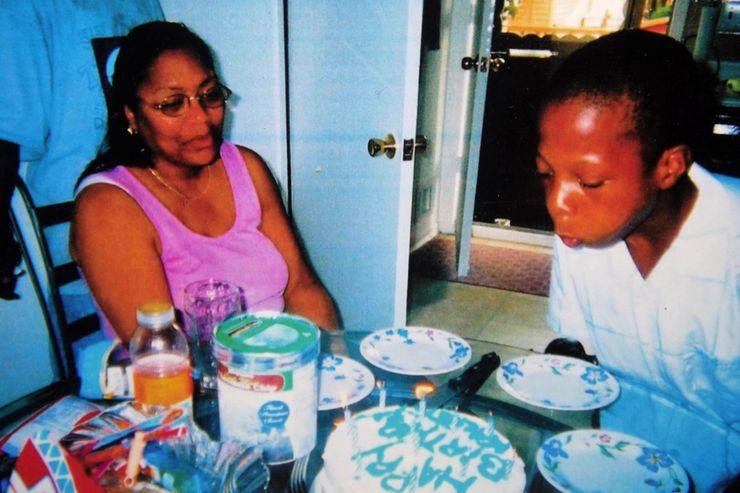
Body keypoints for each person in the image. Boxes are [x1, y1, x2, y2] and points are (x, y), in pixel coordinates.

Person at [537, 29, 739, 491]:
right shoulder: (582, 231)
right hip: (615, 464)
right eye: (547, 174)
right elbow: (578, 349)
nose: (558, 204)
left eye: (588, 182)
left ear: (668, 166)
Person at [71, 21, 338, 344]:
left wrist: (335, 370)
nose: (201, 118)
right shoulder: (107, 205)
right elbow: (162, 352)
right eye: (172, 104)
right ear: (130, 115)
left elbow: (302, 287)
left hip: (279, 371)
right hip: (179, 386)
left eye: (210, 95)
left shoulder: (247, 167)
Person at [0, 0, 163, 301]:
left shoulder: (142, 4)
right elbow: (6, 133)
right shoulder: (22, 8)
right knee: (111, 346)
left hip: (157, 221)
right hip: (75, 232)